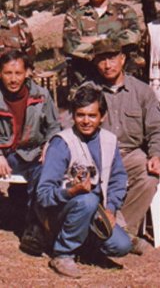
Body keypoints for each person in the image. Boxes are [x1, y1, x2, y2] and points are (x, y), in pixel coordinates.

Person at [36, 84, 132, 279]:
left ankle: (84, 248)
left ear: (102, 116)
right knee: (87, 200)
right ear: (73, 115)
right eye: (80, 115)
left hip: (95, 213)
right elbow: (43, 194)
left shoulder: (109, 140)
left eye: (92, 115)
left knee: (122, 245)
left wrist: (111, 208)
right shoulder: (62, 142)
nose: (86, 121)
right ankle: (62, 253)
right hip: (61, 212)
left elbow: (118, 178)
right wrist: (71, 191)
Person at [91, 38, 160, 254]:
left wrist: (156, 155)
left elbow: (159, 129)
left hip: (130, 153)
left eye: (112, 58)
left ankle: (121, 230)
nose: (107, 65)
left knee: (149, 176)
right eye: (102, 60)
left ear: (123, 59)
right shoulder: (89, 90)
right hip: (97, 154)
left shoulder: (142, 91)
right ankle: (114, 235)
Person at [0, 50, 60, 249]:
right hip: (6, 154)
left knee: (44, 173)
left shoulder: (41, 95)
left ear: (27, 72)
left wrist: (49, 145)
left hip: (33, 152)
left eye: (18, 73)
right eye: (8, 73)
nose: (13, 79)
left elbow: (54, 127)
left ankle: (34, 230)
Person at [63, 0, 141, 85]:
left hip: (121, 83)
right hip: (86, 82)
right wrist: (115, 42)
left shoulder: (125, 12)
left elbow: (133, 37)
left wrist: (96, 40)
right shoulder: (74, 15)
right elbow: (71, 46)